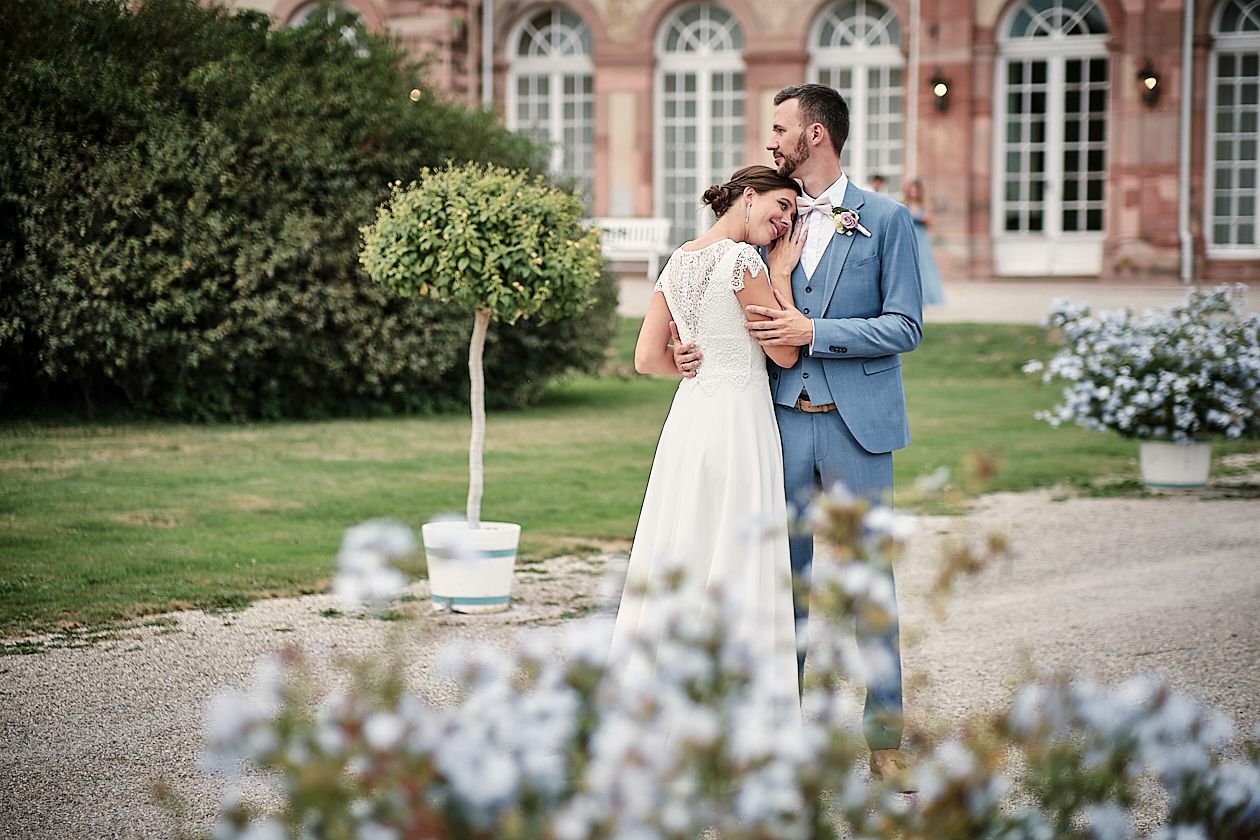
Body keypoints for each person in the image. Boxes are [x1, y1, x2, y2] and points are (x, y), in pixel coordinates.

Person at [673, 84, 923, 791]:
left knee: (871, 584)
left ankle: (885, 743)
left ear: (815, 135)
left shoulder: (886, 219)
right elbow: (718, 304)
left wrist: (819, 332)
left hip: (858, 431)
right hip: (776, 424)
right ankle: (783, 735)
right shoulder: (767, 221)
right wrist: (687, 353)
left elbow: (906, 326)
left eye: (778, 127)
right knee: (781, 585)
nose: (769, 140)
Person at [610, 165, 808, 727]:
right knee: (737, 555)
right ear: (748, 197)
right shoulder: (745, 262)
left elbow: (646, 359)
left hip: (689, 422)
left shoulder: (679, 260)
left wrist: (685, 361)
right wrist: (784, 273)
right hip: (739, 424)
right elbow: (785, 353)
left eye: (791, 214)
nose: (784, 222)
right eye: (780, 208)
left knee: (685, 546)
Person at [903, 178, 946, 306]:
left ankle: (927, 297)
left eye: (915, 191)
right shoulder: (904, 204)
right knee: (911, 265)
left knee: (925, 266)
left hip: (921, 238)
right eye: (911, 191)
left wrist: (925, 221)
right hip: (909, 235)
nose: (913, 193)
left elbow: (930, 222)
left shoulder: (925, 205)